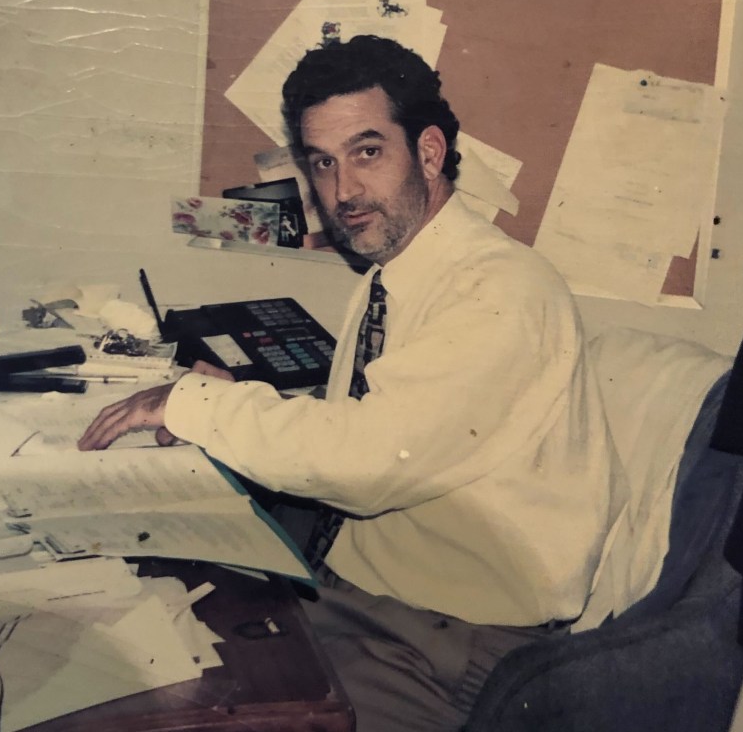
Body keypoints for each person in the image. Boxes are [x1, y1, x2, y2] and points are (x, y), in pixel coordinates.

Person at [78, 35, 629, 732]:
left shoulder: (501, 289)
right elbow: (391, 428)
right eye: (323, 163)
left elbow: (369, 460)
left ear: (428, 152)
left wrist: (199, 403)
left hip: (448, 642)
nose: (343, 192)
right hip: (358, 598)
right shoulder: (386, 280)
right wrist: (240, 404)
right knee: (122, 653)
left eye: (367, 153)